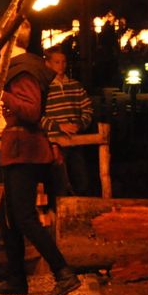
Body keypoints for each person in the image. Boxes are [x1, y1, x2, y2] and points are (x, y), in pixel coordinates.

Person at [0, 21, 81, 295]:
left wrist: (1, 93)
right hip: (19, 149)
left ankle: (64, 273)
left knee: (23, 216)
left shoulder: (23, 68)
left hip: (25, 148)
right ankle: (16, 279)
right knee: (8, 216)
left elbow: (31, 110)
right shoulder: (20, 67)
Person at [42, 47, 94, 196]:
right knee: (58, 182)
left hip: (75, 140)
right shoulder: (45, 88)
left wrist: (79, 125)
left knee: (81, 180)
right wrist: (59, 127)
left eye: (63, 62)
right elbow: (39, 116)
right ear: (49, 64)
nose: (61, 65)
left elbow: (88, 109)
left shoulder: (75, 86)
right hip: (54, 142)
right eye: (57, 62)